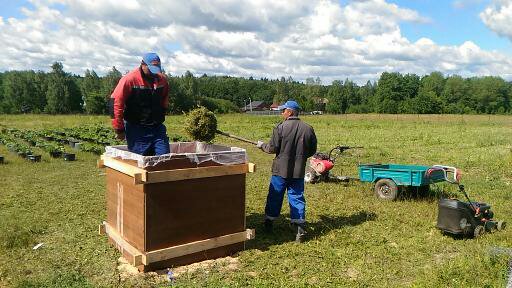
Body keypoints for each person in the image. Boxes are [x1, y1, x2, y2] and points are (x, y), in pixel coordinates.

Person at [257, 100, 317, 242]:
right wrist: (300, 158)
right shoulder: (308, 128)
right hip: (298, 171)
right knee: (296, 196)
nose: (281, 112)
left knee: (275, 195)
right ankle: (299, 228)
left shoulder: (280, 128)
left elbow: (272, 148)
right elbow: (312, 150)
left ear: (290, 112)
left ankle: (269, 223)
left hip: (280, 171)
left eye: (283, 110)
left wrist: (262, 145)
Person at [110, 52, 170, 156]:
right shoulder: (129, 80)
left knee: (164, 160)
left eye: (156, 69)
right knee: (141, 163)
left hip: (157, 128)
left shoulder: (162, 80)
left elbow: (164, 99)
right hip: (136, 129)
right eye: (151, 69)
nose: (153, 73)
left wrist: (161, 113)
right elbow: (115, 103)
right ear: (143, 65)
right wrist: (119, 129)